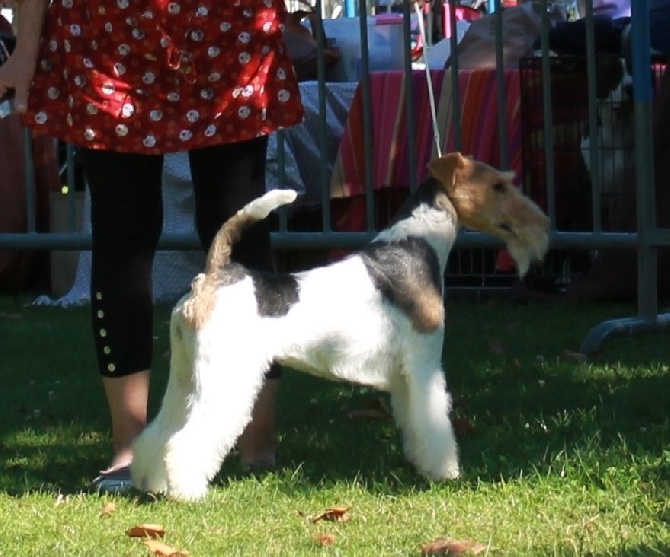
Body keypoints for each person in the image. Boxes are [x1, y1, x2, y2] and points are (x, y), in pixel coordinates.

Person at [0, 0, 304, 492]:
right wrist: (26, 50)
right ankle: (129, 450)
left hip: (225, 33)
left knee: (240, 233)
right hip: (106, 39)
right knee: (122, 237)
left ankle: (258, 444)